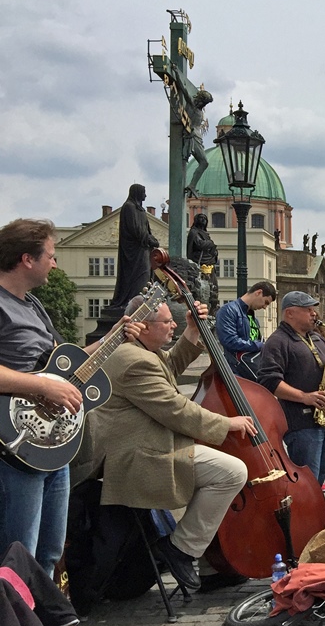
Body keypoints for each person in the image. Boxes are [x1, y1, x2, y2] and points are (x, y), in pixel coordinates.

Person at [74, 295, 255, 591]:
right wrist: (226, 424)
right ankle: (180, 549)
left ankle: (210, 563)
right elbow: (175, 409)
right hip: (135, 458)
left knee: (220, 472)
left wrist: (192, 331)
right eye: (167, 321)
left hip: (147, 447)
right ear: (143, 326)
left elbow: (169, 365)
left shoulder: (140, 352)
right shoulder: (132, 360)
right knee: (231, 472)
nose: (172, 325)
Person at [0, 219, 143, 576]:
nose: (55, 263)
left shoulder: (32, 305)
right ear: (26, 259)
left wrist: (114, 337)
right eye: (51, 255)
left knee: (48, 553)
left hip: (52, 445)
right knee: (20, 557)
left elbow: (63, 365)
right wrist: (43, 388)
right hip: (16, 446)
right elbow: (47, 382)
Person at [258, 291, 325, 493]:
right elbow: (269, 381)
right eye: (308, 310)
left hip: (323, 420)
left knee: (316, 484)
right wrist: (305, 397)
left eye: (313, 309)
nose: (314, 314)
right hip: (301, 423)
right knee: (305, 487)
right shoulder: (278, 341)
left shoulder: (316, 338)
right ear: (290, 313)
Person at [109, 184, 160, 313]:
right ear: (137, 192)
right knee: (138, 276)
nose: (145, 195)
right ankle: (133, 303)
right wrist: (149, 239)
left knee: (146, 274)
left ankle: (141, 303)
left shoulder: (140, 210)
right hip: (133, 251)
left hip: (143, 249)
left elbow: (145, 229)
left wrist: (151, 239)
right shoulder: (129, 207)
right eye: (144, 192)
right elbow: (135, 229)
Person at [215, 280, 277, 379]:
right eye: (265, 302)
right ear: (258, 292)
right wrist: (259, 345)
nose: (265, 307)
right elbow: (229, 341)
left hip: (249, 369)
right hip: (237, 373)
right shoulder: (228, 310)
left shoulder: (252, 318)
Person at [187, 212, 219, 311]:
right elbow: (200, 244)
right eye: (201, 218)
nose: (203, 220)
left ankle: (212, 307)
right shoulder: (194, 232)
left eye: (205, 219)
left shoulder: (205, 233)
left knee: (213, 287)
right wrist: (210, 243)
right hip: (199, 262)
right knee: (200, 288)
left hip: (209, 263)